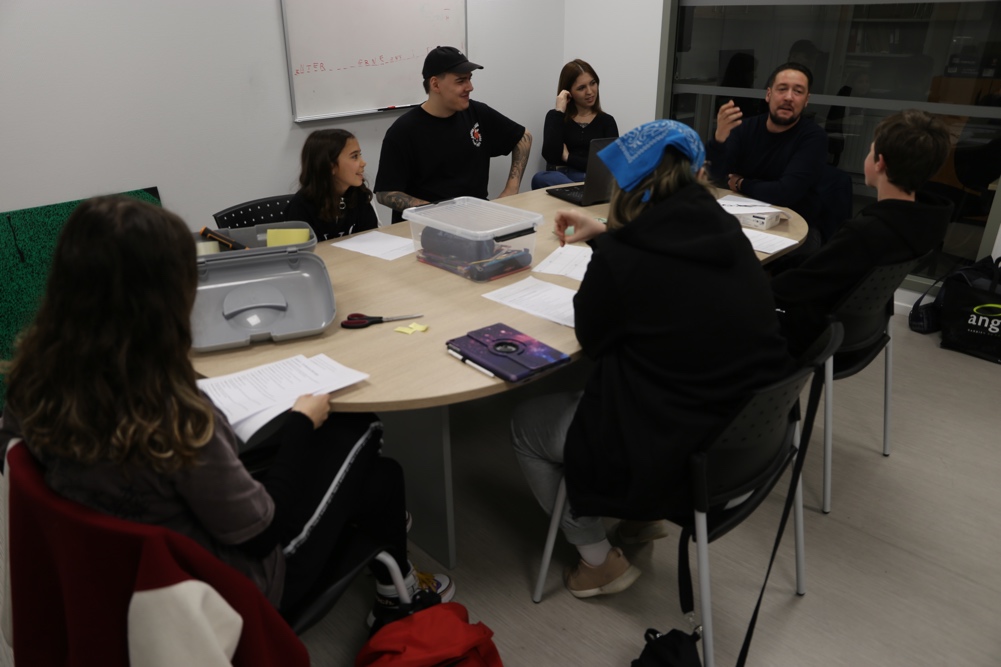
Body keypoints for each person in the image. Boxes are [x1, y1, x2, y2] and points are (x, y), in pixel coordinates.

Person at [0, 196, 452, 625]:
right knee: (358, 426)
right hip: (235, 588)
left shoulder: (32, 383)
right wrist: (299, 423)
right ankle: (395, 589)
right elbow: (262, 531)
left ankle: (391, 571)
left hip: (118, 573)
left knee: (380, 478)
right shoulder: (175, 416)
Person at [510, 121, 794, 599]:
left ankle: (598, 560)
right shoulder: (726, 232)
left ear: (627, 184)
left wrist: (611, 245)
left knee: (526, 424)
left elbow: (593, 341)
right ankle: (641, 520)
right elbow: (667, 265)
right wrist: (606, 235)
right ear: (696, 172)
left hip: (673, 447)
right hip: (746, 437)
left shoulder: (625, 256)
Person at [772, 109, 954, 356]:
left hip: (814, 335)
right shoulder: (925, 222)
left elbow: (791, 289)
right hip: (864, 331)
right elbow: (826, 268)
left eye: (870, 151)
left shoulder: (866, 233)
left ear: (880, 163)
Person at [374, 46, 532, 223]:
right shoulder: (404, 130)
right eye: (460, 81)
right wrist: (433, 211)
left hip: (476, 220)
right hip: (424, 226)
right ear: (435, 84)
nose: (470, 87)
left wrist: (511, 189)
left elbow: (523, 137)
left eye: (470, 79)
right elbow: (385, 193)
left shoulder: (478, 113)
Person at [706, 61, 828, 253]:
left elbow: (785, 193)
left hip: (795, 225)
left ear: (806, 100)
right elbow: (713, 177)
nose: (789, 97)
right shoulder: (744, 128)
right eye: (782, 89)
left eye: (798, 91)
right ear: (769, 95)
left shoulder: (813, 138)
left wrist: (740, 183)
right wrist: (719, 139)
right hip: (743, 218)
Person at [531, 59, 619, 189]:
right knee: (540, 178)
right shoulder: (555, 117)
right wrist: (559, 112)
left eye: (593, 83)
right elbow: (551, 157)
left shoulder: (607, 121)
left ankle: (577, 191)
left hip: (592, 178)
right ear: (569, 92)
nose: (590, 91)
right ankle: (579, 191)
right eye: (581, 88)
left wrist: (568, 157)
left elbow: (610, 165)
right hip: (560, 178)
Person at [284, 129, 379, 240]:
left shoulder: (359, 194)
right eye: (354, 156)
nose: (363, 163)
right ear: (330, 166)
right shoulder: (301, 207)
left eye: (360, 155)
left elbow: (371, 239)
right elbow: (301, 249)